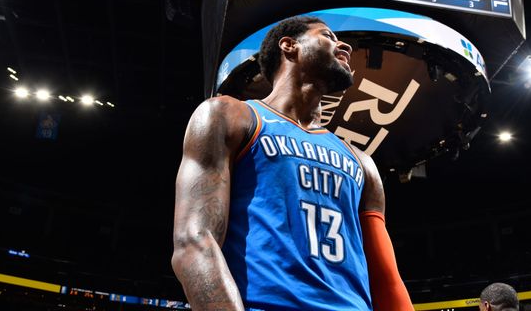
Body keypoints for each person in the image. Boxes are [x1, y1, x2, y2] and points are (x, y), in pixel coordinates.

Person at [172, 16, 412, 311]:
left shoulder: (362, 163)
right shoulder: (230, 116)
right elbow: (194, 241)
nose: (345, 46)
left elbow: (386, 278)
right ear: (289, 46)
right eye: (327, 35)